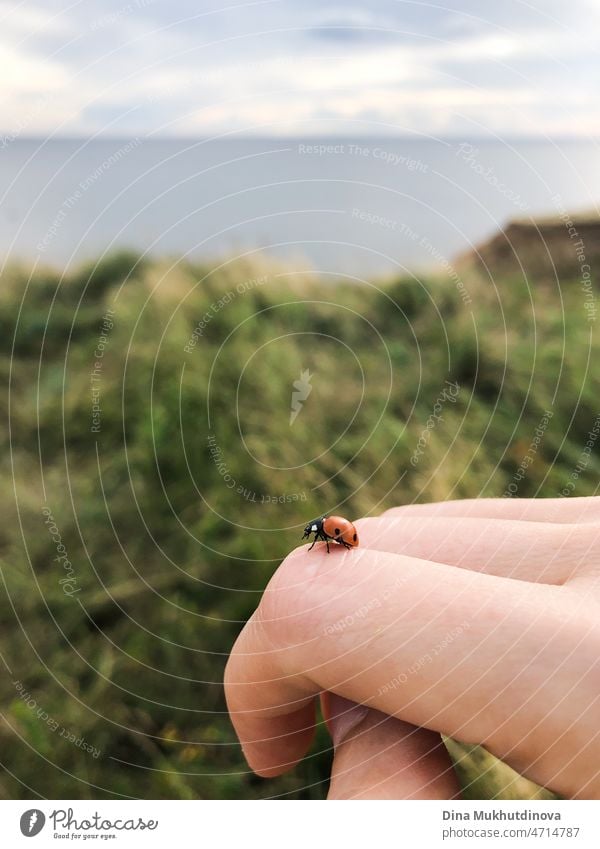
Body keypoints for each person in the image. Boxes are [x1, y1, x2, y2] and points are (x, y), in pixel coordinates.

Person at [225, 497, 600, 799]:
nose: (314, 537)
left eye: (315, 535)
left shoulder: (329, 533)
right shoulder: (332, 531)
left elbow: (331, 540)